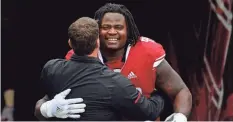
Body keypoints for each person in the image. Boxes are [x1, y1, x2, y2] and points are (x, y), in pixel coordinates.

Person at [35, 3, 192, 122]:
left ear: (128, 30)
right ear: (97, 32)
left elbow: (181, 91)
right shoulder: (78, 56)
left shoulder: (148, 52)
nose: (112, 32)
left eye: (118, 27)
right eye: (106, 27)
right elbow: (50, 99)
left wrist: (180, 117)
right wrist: (47, 109)